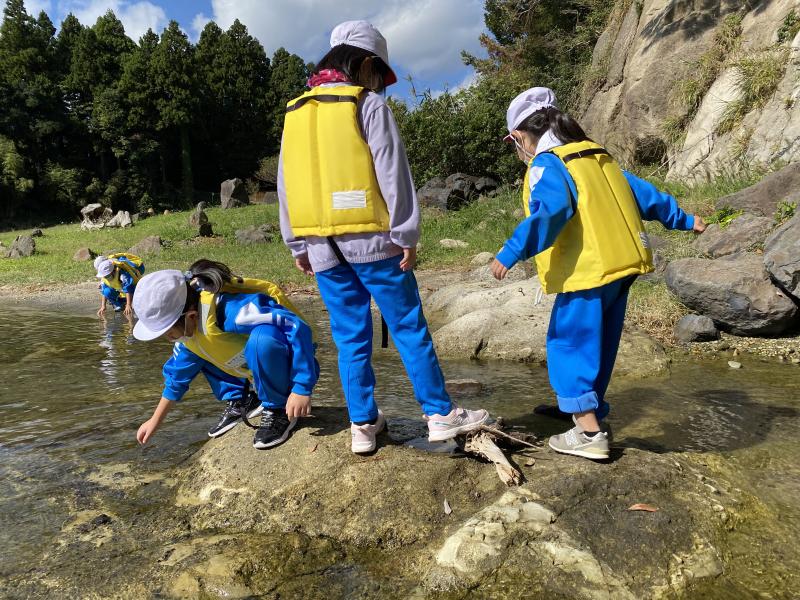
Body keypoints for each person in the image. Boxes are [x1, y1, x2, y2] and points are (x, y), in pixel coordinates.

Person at [278, 20, 489, 454]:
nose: (379, 83)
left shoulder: (295, 111)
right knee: (408, 326)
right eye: (379, 73)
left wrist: (296, 243)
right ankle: (440, 414)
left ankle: (362, 424)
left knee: (349, 337)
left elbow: (286, 184)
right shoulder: (367, 105)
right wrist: (406, 232)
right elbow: (393, 173)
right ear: (365, 63)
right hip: (374, 241)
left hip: (321, 246)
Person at [491, 87, 707, 461]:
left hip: (588, 269)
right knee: (601, 343)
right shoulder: (594, 154)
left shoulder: (547, 164)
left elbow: (551, 212)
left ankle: (589, 433)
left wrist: (511, 251)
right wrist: (684, 219)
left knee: (569, 342)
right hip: (623, 264)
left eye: (515, 144)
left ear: (521, 136)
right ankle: (585, 410)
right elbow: (644, 195)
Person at [132, 259, 319, 450]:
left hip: (290, 366)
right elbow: (177, 378)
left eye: (169, 333)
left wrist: (301, 388)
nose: (168, 339)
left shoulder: (233, 311)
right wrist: (155, 420)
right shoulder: (189, 336)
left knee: (262, 340)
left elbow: (296, 326)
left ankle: (277, 407)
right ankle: (243, 399)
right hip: (253, 373)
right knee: (198, 352)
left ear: (190, 316)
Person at [95, 253, 145, 317]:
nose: (106, 278)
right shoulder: (105, 277)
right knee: (106, 291)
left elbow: (128, 289)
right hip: (122, 291)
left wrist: (128, 305)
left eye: (107, 276)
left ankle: (131, 302)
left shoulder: (123, 275)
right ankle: (120, 305)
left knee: (135, 307)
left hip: (134, 290)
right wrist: (103, 306)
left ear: (112, 271)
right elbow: (104, 292)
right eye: (104, 276)